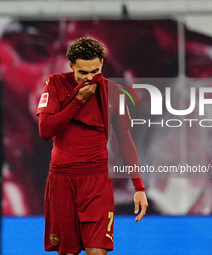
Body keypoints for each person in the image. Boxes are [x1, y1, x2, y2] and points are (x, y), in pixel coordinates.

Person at [37, 37, 148, 255]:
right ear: (71, 66)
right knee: (67, 252)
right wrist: (77, 101)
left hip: (96, 182)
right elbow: (45, 131)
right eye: (83, 72)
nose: (89, 78)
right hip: (62, 180)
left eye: (94, 71)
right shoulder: (55, 83)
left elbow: (125, 140)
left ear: (102, 64)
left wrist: (139, 187)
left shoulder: (114, 91)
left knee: (98, 251)